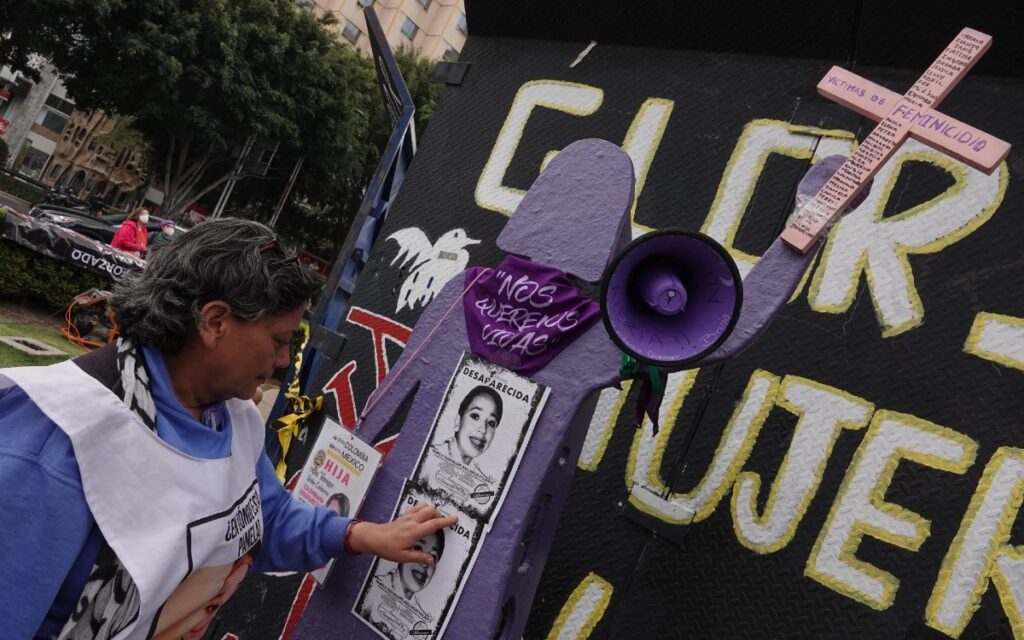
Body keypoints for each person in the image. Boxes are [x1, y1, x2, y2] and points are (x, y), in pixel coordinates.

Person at [0, 217, 456, 638]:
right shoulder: (58, 439)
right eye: (279, 341)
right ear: (215, 322)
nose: (283, 360)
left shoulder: (230, 416)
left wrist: (360, 535)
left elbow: (260, 518)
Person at [438, 385, 503, 474]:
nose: (483, 429)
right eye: (475, 416)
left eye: (491, 423)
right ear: (457, 421)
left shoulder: (480, 480)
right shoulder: (430, 458)